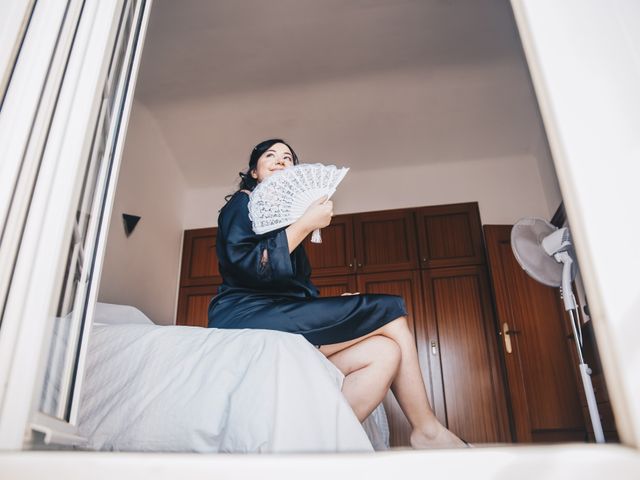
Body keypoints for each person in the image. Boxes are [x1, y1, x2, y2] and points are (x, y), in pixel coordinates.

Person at [208, 138, 466, 449]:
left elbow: (293, 291)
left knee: (385, 352)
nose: (280, 161)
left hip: (282, 313)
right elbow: (250, 268)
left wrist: (334, 307)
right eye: (270, 156)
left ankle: (317, 443)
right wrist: (304, 225)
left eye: (288, 158)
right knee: (390, 311)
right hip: (243, 313)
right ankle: (427, 430)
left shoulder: (284, 219)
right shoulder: (242, 203)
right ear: (254, 171)